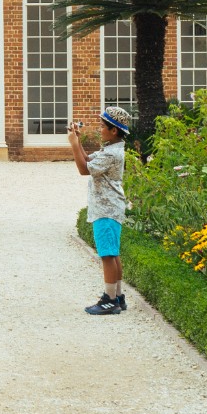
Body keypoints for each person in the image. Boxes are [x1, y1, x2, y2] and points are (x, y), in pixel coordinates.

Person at [70, 105, 134, 315]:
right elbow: (88, 159)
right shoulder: (111, 149)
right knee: (113, 253)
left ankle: (110, 300)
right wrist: (77, 141)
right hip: (110, 207)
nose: (99, 129)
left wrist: (72, 145)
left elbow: (83, 169)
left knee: (107, 255)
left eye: (102, 126)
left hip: (106, 209)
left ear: (113, 130)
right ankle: (118, 296)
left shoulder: (111, 154)